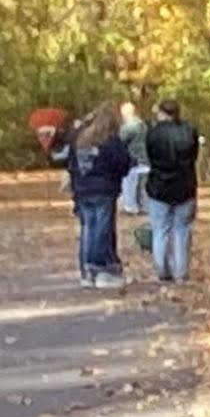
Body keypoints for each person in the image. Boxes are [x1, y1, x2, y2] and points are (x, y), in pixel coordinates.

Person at [62, 102, 131, 289]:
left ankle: (86, 269)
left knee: (88, 229)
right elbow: (123, 163)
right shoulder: (110, 140)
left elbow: (70, 163)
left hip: (83, 188)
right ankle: (100, 267)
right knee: (102, 229)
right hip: (104, 189)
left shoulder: (80, 138)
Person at [143, 96, 201, 284]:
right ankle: (181, 272)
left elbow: (150, 156)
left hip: (159, 186)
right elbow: (194, 157)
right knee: (182, 230)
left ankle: (162, 270)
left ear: (161, 113)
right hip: (184, 186)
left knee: (160, 229)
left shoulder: (153, 133)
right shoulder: (190, 131)